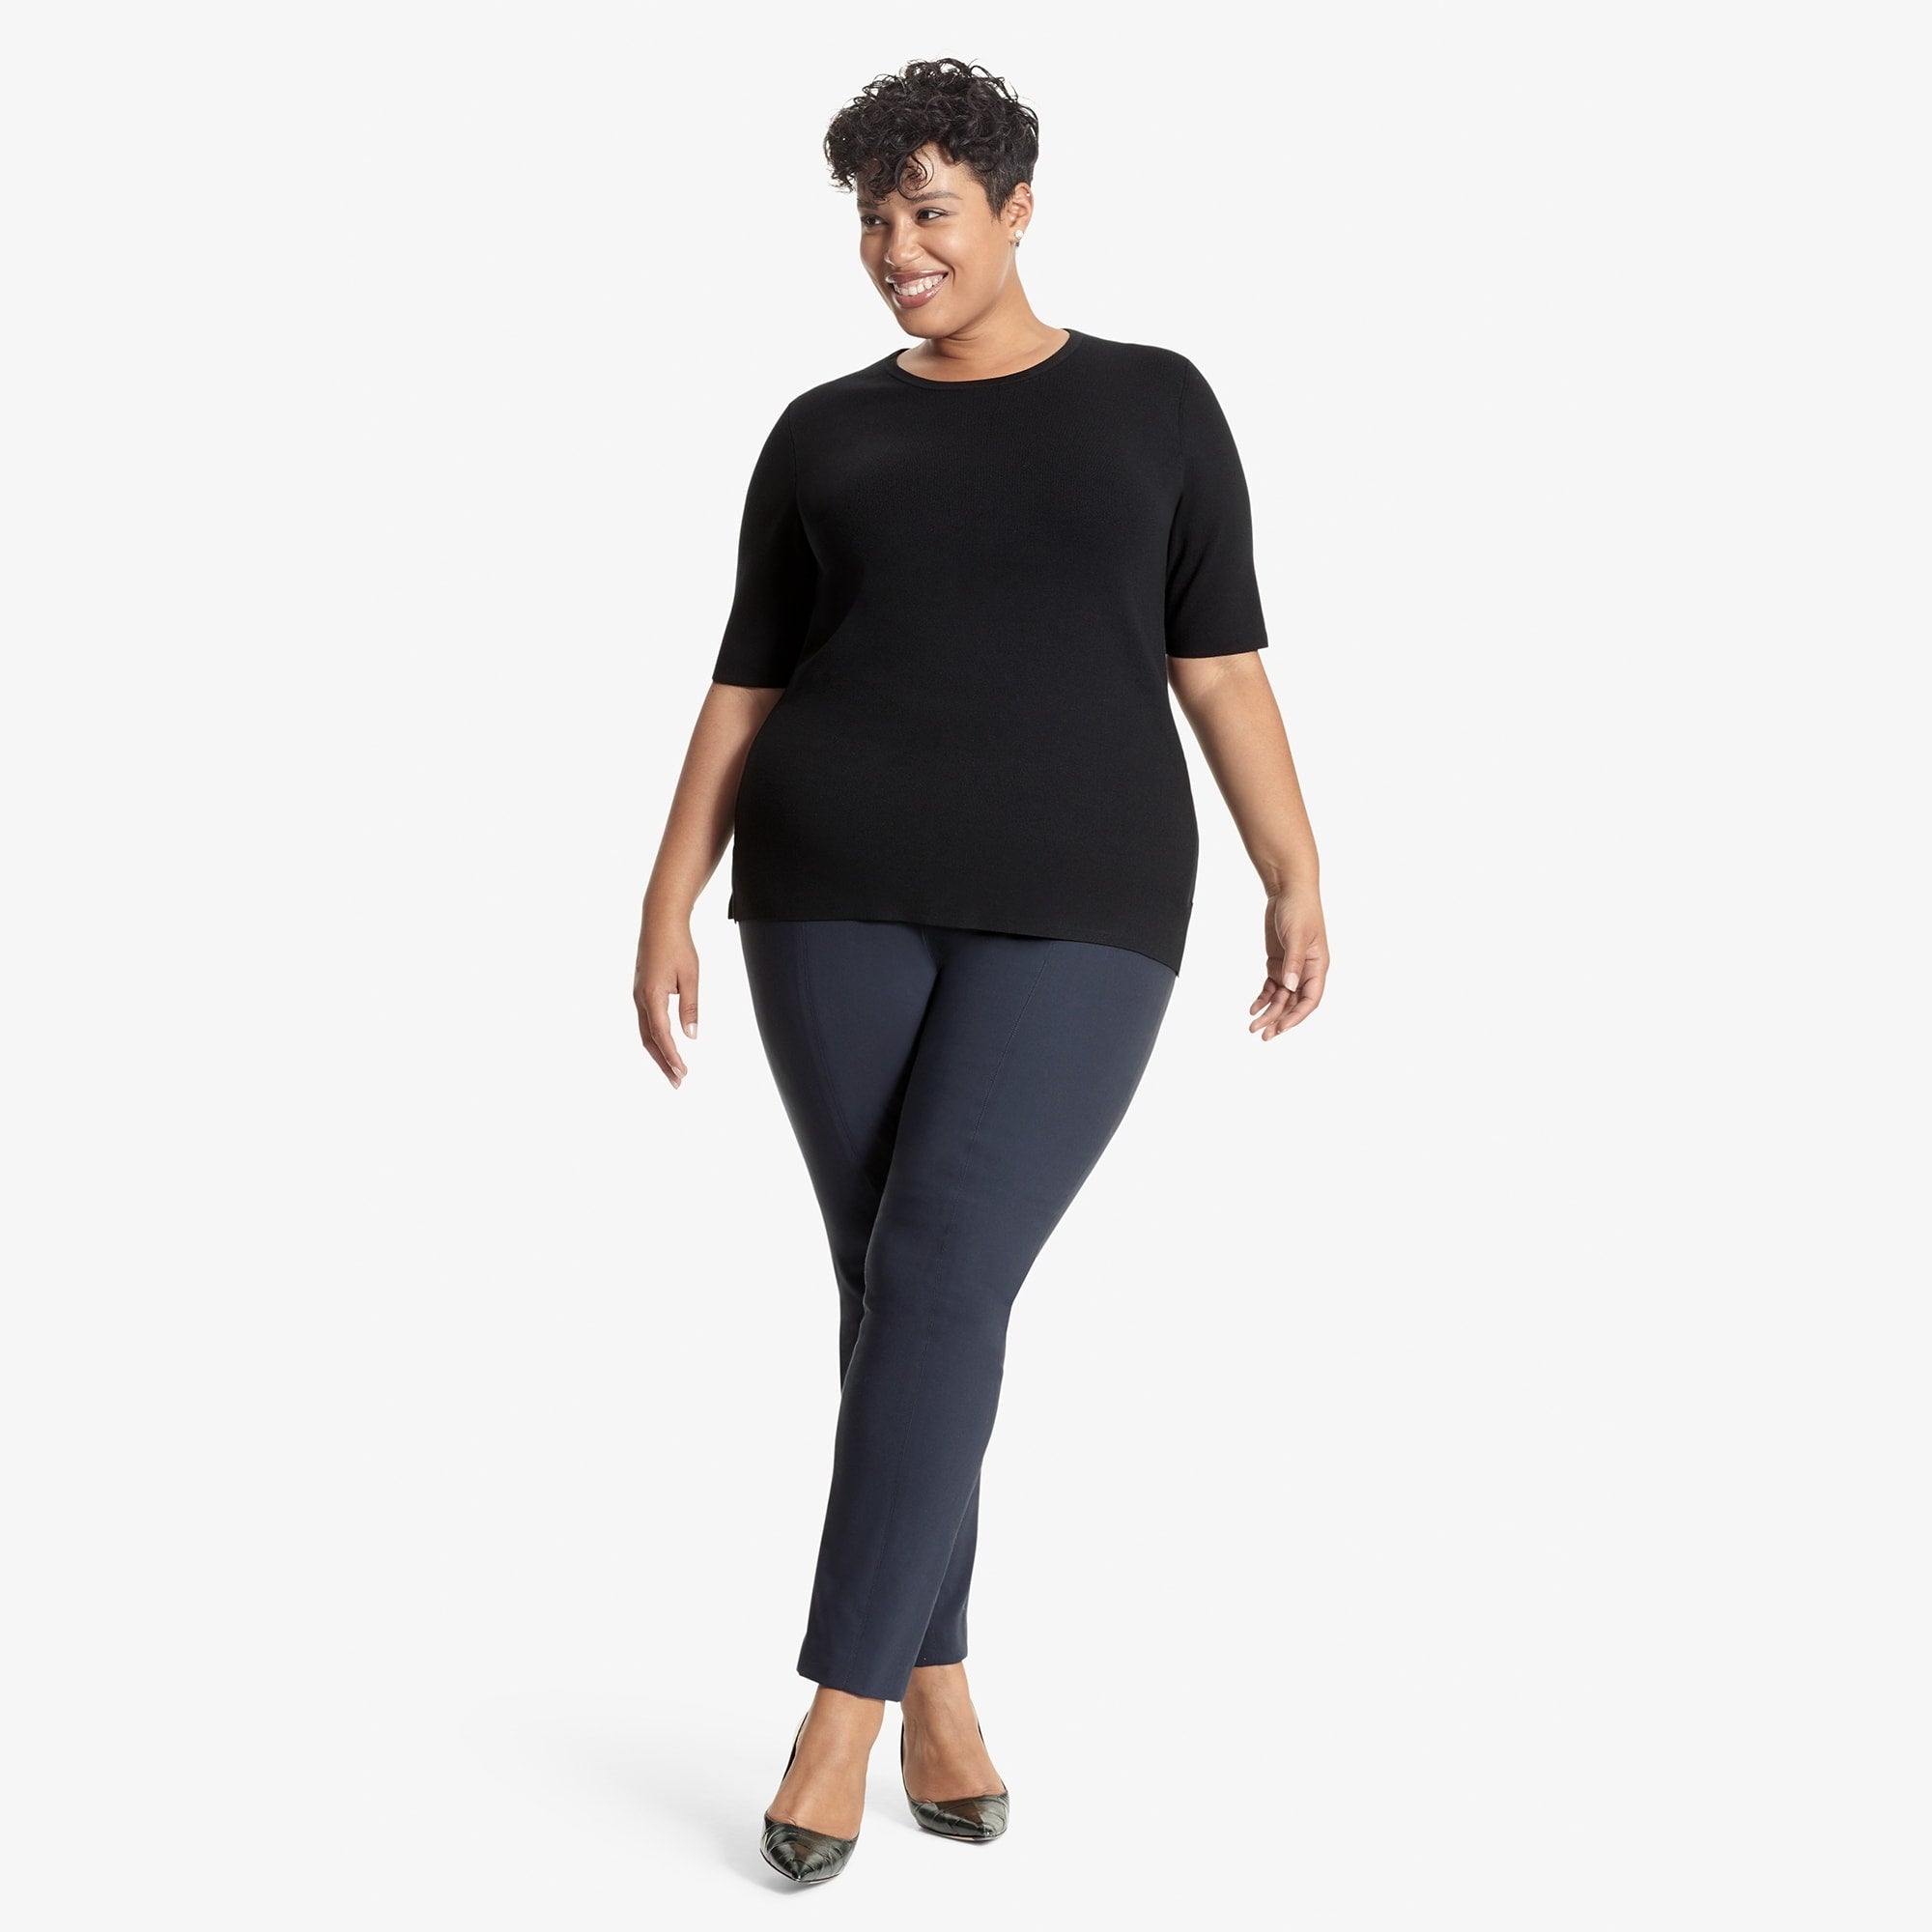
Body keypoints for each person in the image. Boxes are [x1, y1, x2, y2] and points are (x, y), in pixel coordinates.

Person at [633, 56, 1327, 1886]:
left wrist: (1294, 865)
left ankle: (838, 1714)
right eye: (873, 219)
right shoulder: (821, 433)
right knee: (899, 1289)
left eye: (930, 212)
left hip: (1086, 900)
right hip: (826, 891)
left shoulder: (1156, 403)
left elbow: (1220, 662)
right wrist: (668, 891)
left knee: (939, 1263)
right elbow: (746, 682)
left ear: (1018, 210)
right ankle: (936, 1686)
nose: (897, 250)